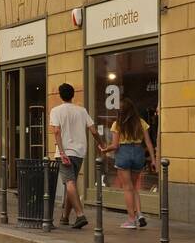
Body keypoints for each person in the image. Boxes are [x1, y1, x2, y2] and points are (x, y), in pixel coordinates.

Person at [49, 83, 108, 229]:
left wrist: (61, 152)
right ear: (73, 95)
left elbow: (56, 132)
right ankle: (65, 217)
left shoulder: (56, 111)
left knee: (69, 183)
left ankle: (80, 215)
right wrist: (101, 144)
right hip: (80, 151)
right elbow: (94, 131)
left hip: (65, 152)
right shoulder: (82, 111)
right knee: (72, 183)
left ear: (60, 95)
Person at [108, 97, 158, 229]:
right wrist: (153, 160)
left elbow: (114, 145)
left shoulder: (117, 124)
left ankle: (131, 220)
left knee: (127, 188)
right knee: (135, 187)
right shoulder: (141, 122)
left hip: (124, 153)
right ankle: (140, 214)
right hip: (138, 153)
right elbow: (148, 142)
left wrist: (104, 149)